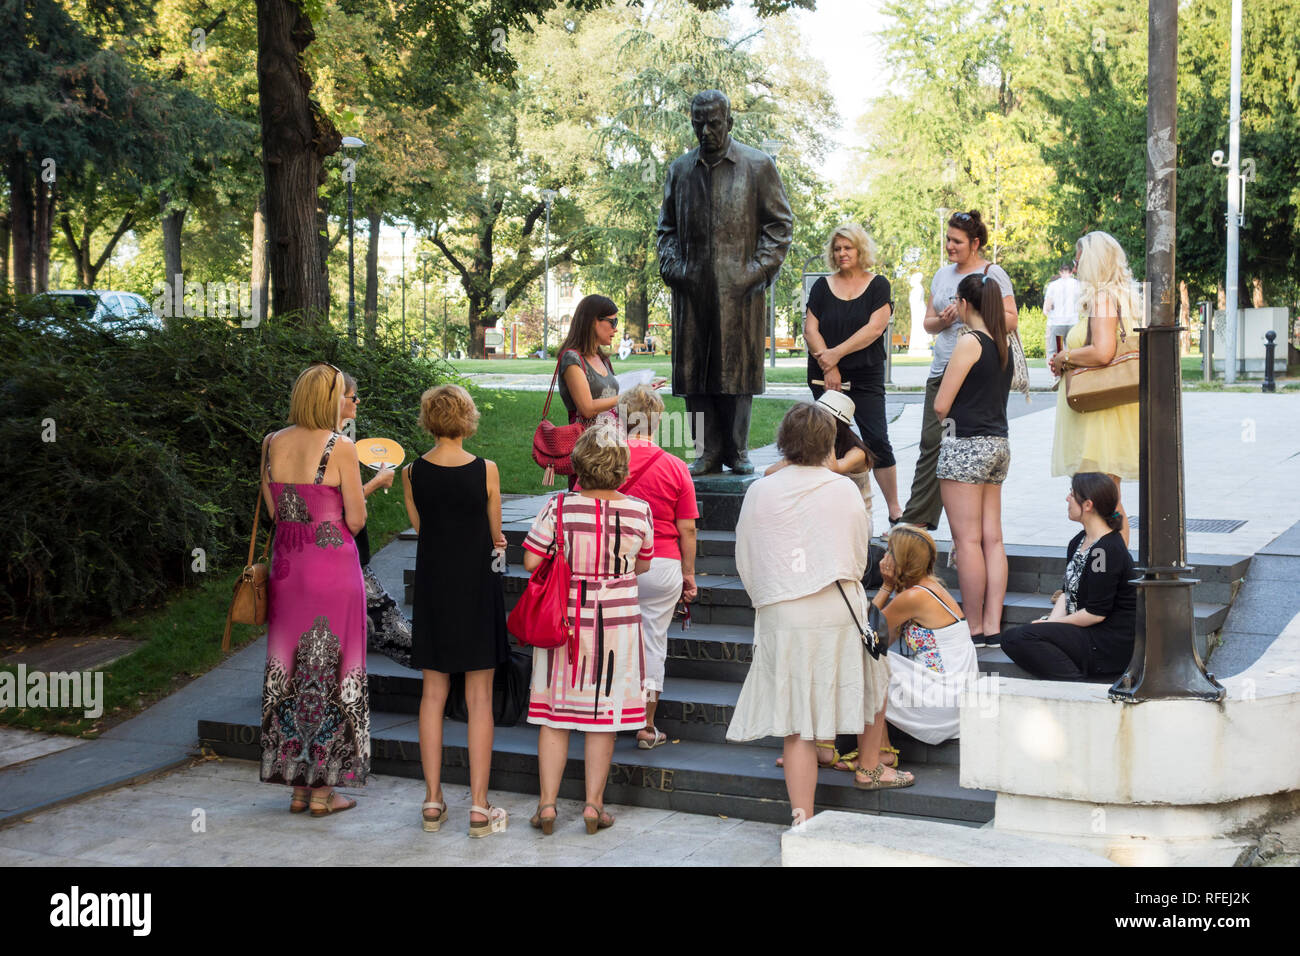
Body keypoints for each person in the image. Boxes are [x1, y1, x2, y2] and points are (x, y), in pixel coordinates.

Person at [727, 403, 911, 826]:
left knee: (797, 726)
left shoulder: (759, 490)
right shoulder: (843, 488)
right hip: (834, 606)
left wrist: (768, 598)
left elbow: (746, 555)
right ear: (828, 442)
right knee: (868, 682)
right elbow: (856, 553)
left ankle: (802, 816)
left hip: (782, 612)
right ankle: (870, 765)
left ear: (784, 441)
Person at [522, 422, 654, 835]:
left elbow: (529, 562)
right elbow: (644, 563)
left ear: (578, 464)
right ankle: (594, 806)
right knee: (604, 719)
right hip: (617, 625)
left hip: (564, 622)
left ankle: (547, 806)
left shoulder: (558, 508)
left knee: (554, 716)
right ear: (621, 469)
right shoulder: (638, 510)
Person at [657, 88, 793, 476]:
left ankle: (737, 450)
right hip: (692, 288)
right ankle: (705, 451)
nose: (706, 130)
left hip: (740, 289)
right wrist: (673, 268)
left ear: (729, 123)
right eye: (698, 123)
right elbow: (665, 229)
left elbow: (779, 226)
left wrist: (757, 272)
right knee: (696, 373)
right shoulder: (680, 170)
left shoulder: (757, 165)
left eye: (714, 123)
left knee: (735, 373)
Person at [258, 362, 368, 817]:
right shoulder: (340, 446)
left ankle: (298, 788)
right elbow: (357, 519)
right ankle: (325, 791)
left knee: (290, 671)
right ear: (330, 399)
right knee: (334, 669)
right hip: (333, 567)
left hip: (289, 566)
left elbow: (273, 509)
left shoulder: (271, 443)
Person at [402, 384, 511, 837]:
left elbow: (421, 527)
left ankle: (432, 800)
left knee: (432, 695)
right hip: (477, 587)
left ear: (429, 419)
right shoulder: (487, 469)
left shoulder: (412, 472)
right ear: (467, 419)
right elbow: (496, 535)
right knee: (479, 698)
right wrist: (497, 546)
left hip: (433, 588)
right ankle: (480, 806)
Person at [764, 391, 878, 774]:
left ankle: (828, 745)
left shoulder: (855, 453)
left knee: (833, 667)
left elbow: (826, 472)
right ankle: (818, 744)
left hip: (841, 551)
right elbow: (770, 475)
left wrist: (800, 458)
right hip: (816, 553)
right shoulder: (815, 456)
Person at [898, 210, 1018, 531]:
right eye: (948, 239)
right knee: (932, 444)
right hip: (942, 371)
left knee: (963, 449)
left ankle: (963, 526)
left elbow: (1011, 319)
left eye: (957, 241)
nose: (950, 246)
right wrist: (947, 320)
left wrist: (974, 314)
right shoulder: (941, 275)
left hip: (976, 374)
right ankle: (917, 521)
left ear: (975, 243)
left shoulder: (993, 273)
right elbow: (928, 324)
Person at [616, 385, 699, 750]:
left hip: (613, 560)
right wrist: (689, 573)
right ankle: (646, 726)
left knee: (612, 639)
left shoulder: (606, 461)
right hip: (663, 563)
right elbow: (688, 528)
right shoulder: (676, 466)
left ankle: (607, 713)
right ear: (658, 420)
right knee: (653, 642)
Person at [934, 271, 1014, 646]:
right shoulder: (1005, 343)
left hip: (964, 444)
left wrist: (947, 422)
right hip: (999, 444)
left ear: (965, 305)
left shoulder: (970, 342)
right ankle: (994, 626)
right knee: (992, 539)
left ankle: (975, 625)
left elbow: (941, 404)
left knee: (966, 541)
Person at [804, 223, 902, 522]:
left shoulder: (878, 285)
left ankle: (895, 510)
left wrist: (835, 355)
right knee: (828, 440)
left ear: (860, 249)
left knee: (876, 439)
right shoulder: (822, 286)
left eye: (848, 247)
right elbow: (810, 330)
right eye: (837, 248)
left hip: (865, 375)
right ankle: (829, 507)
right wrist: (830, 366)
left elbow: (874, 330)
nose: (842, 253)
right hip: (824, 376)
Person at [1048, 231, 1138, 545]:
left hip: (1100, 415)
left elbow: (1103, 350)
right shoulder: (1120, 295)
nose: (1075, 264)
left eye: (1079, 257)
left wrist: (1065, 356)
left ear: (1094, 261)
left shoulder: (1102, 297)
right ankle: (1109, 569)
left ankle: (1111, 573)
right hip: (1107, 410)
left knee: (1103, 499)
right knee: (1105, 497)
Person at [1000, 473, 1136, 680]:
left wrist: (1052, 627)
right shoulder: (1079, 541)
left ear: (1088, 505)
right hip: (1083, 630)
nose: (1067, 499)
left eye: (1072, 494)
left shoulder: (1105, 550)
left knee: (1019, 638)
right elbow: (1067, 593)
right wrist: (1051, 623)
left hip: (1104, 640)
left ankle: (1074, 683)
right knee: (1016, 637)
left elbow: (1095, 614)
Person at [873, 526, 977, 754]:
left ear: (903, 559)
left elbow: (866, 634)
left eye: (890, 551)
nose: (884, 557)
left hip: (941, 703)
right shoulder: (930, 586)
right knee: (872, 659)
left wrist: (886, 586)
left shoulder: (914, 597)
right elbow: (883, 640)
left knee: (865, 663)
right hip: (952, 699)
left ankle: (881, 751)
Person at [339, 372, 409, 668]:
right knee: (392, 628)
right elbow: (347, 513)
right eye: (352, 396)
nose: (358, 401)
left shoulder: (278, 442)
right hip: (344, 553)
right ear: (334, 399)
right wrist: (377, 482)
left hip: (302, 559)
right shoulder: (338, 446)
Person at [555, 294, 623, 490]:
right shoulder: (572, 358)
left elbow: (612, 399)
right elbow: (586, 408)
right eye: (612, 322)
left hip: (612, 448)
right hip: (589, 451)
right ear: (594, 321)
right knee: (587, 510)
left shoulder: (603, 358)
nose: (616, 329)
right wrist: (625, 396)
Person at [1043, 259, 1081, 369]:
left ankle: (1055, 372)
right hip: (1073, 321)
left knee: (1054, 349)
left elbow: (1048, 305)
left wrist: (1047, 312)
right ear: (1071, 272)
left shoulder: (1053, 285)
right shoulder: (1077, 284)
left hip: (1057, 321)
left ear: (1060, 272)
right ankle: (1072, 371)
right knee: (1071, 349)